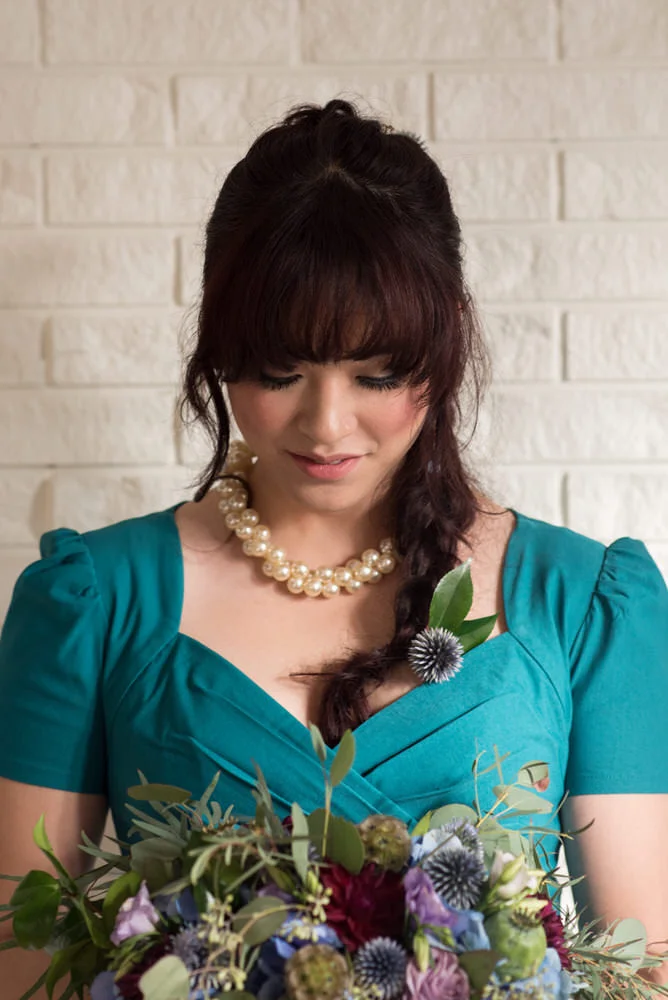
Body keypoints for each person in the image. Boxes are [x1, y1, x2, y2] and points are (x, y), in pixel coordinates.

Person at [1, 99, 667, 995]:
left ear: (448, 338)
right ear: (220, 349)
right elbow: (24, 965)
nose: (325, 424)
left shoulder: (586, 605)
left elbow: (643, 972)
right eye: (279, 372)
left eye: (376, 374)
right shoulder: (88, 603)